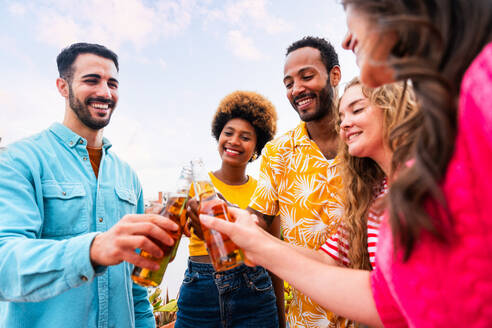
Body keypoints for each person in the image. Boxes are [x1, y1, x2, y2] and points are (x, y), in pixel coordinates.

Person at [200, 1, 492, 327]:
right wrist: (253, 240)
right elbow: (383, 294)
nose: (347, 39)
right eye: (343, 116)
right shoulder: (375, 196)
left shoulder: (469, 109)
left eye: (356, 110)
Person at [0, 43, 179, 327]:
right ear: (63, 86)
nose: (105, 93)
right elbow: (4, 266)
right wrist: (93, 249)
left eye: (112, 83)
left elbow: (135, 285)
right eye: (91, 80)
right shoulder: (19, 160)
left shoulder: (128, 177)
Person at [247, 36, 344, 328]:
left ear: (334, 75)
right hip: (307, 320)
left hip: (376, 315)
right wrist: (224, 219)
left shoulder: (366, 139)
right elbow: (257, 219)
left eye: (307, 76)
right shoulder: (278, 152)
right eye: (289, 83)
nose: (296, 89)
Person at [175, 91, 280, 328]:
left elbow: (275, 256)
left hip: (255, 292)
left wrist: (281, 319)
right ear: (218, 136)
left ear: (256, 147)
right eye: (228, 133)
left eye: (245, 137)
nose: (234, 141)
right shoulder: (196, 187)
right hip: (199, 292)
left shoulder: (264, 191)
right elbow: (171, 240)